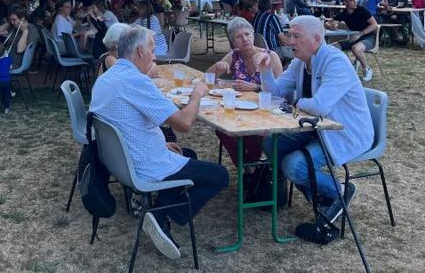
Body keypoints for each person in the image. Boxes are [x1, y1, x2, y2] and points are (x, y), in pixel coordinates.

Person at [89, 25, 229, 260]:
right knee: (220, 175)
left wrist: (160, 143)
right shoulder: (136, 81)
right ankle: (163, 215)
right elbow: (183, 124)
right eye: (153, 50)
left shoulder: (106, 77)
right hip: (143, 167)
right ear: (141, 51)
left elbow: (123, 123)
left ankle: (159, 213)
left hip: (118, 162)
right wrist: (196, 94)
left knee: (188, 154)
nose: (155, 56)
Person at [255, 16, 372, 225]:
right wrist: (265, 71)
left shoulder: (336, 62)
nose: (290, 41)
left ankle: (339, 190)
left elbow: (319, 106)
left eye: (297, 36)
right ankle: (321, 198)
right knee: (270, 144)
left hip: (344, 132)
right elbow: (276, 93)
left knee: (293, 166)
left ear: (317, 39)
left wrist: (296, 101)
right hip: (315, 128)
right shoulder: (300, 62)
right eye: (290, 34)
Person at [207, 18, 283, 170]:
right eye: (239, 37)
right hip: (241, 111)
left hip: (265, 113)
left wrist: (255, 87)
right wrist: (217, 67)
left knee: (246, 134)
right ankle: (248, 167)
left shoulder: (270, 56)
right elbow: (208, 78)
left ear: (253, 36)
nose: (245, 39)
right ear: (233, 42)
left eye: (247, 34)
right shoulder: (235, 55)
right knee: (222, 129)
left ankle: (251, 166)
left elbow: (281, 92)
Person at [327, 0, 379, 82]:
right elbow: (329, 23)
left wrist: (361, 33)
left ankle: (366, 69)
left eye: (355, 0)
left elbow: (374, 24)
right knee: (331, 48)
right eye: (352, 1)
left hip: (368, 38)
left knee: (356, 48)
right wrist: (331, 26)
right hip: (352, 39)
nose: (355, 2)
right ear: (345, 2)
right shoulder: (344, 14)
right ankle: (349, 66)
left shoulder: (362, 10)